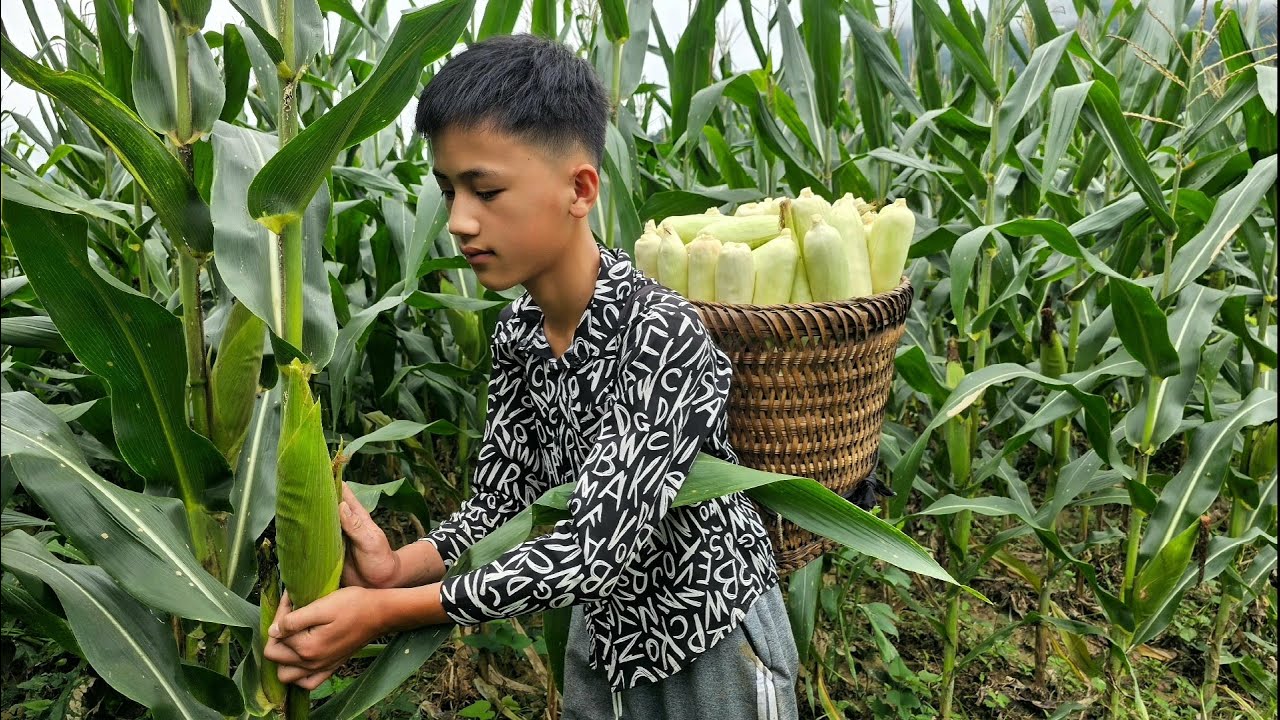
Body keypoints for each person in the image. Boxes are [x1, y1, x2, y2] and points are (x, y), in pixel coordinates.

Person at [264, 33, 800, 720]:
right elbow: (502, 508)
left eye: (485, 190)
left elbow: (590, 551)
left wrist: (384, 611)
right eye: (448, 190)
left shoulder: (662, 334)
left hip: (711, 640)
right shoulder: (519, 333)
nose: (458, 221)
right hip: (605, 637)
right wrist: (402, 565)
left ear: (580, 190)